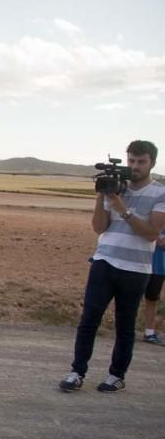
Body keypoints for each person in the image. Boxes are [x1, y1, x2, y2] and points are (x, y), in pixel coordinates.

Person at [59, 140, 165, 393]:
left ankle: (116, 375)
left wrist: (124, 210)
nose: (135, 166)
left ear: (152, 162)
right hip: (104, 261)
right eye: (131, 161)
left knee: (125, 325)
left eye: (141, 162)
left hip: (136, 268)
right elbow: (99, 227)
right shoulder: (115, 188)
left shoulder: (160, 193)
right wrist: (101, 197)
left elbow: (151, 233)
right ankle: (77, 371)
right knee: (88, 320)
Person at [140, 228, 165, 345]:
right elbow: (159, 241)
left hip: (159, 266)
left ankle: (149, 332)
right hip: (142, 262)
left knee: (152, 298)